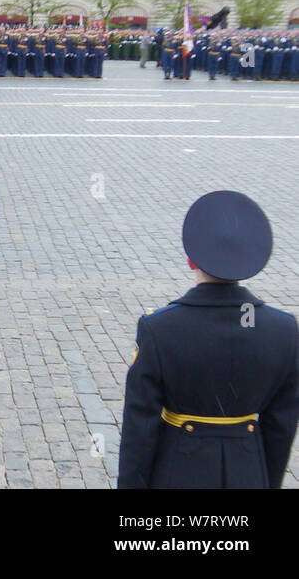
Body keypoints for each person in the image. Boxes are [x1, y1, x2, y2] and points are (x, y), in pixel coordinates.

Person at [118, 191, 298, 489]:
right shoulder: (283, 330)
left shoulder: (159, 329)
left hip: (176, 473)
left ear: (191, 260)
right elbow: (281, 427)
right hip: (249, 473)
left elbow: (140, 429)